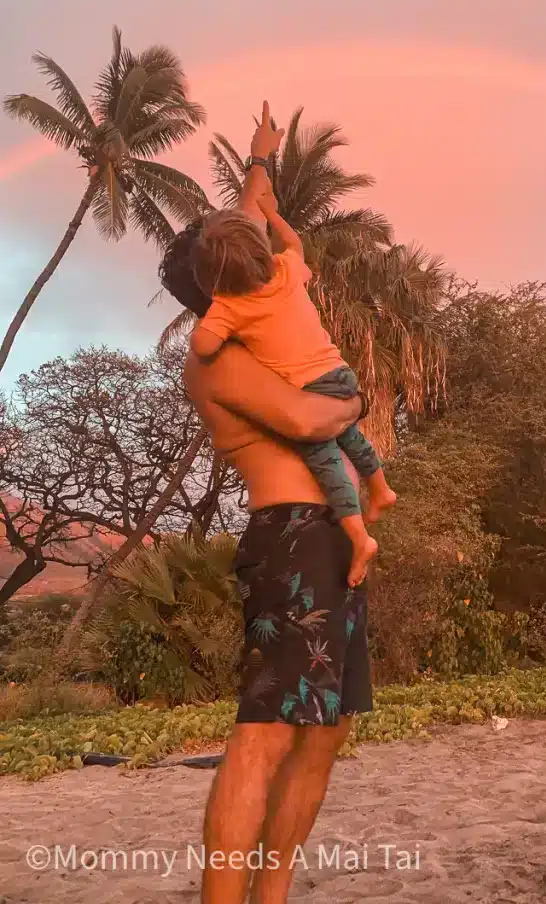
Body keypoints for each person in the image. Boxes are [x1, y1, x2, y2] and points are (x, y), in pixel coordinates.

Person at [158, 103, 374, 904]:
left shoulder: (256, 318)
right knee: (265, 732)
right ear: (216, 293)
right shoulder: (218, 361)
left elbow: (247, 221)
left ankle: (271, 893)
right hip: (293, 539)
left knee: (326, 731)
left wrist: (260, 160)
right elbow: (308, 419)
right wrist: (354, 402)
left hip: (331, 544)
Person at [186, 177, 396, 587]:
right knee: (350, 435)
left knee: (324, 455)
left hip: (303, 522)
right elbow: (293, 245)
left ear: (210, 280)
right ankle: (380, 486)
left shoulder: (230, 308)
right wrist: (268, 211)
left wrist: (218, 311)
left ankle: (359, 534)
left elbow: (204, 343)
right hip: (339, 374)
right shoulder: (284, 270)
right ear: (261, 252)